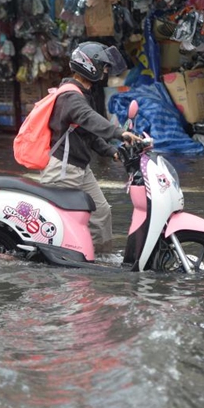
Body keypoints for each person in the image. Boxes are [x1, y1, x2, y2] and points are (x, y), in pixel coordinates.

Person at [39, 42, 141, 256]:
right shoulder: (71, 96)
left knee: (101, 212)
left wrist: (112, 151)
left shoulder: (82, 94)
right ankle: (60, 261)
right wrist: (118, 132)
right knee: (66, 222)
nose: (105, 71)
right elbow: (89, 119)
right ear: (90, 66)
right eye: (103, 66)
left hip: (79, 168)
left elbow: (88, 134)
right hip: (63, 170)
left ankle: (100, 259)